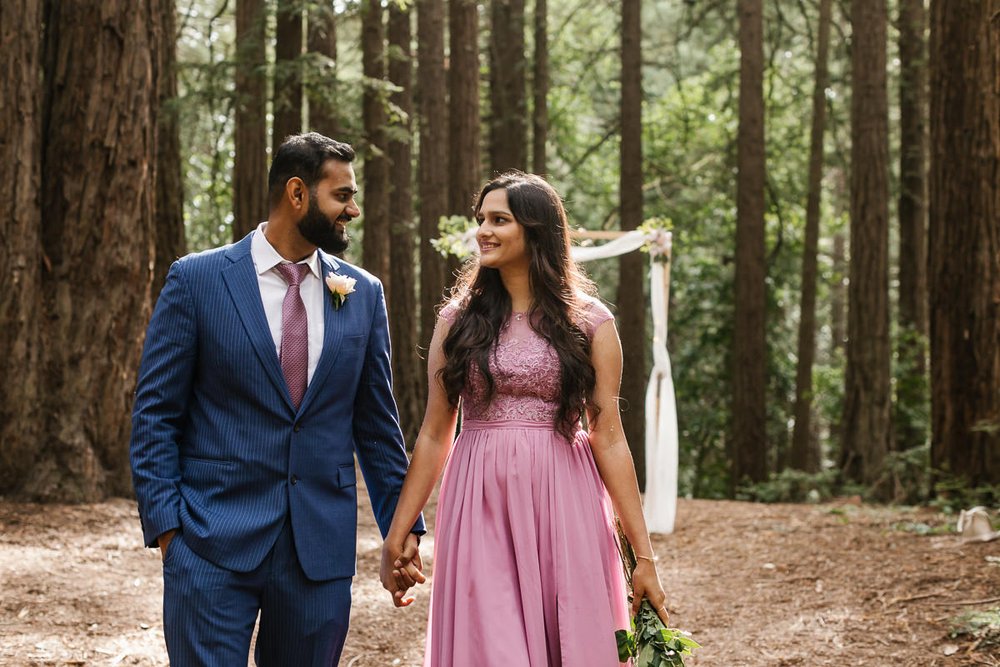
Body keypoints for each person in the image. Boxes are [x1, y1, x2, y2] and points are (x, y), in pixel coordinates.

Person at [129, 132, 423, 666]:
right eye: (342, 196)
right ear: (297, 193)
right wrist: (170, 533)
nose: (353, 210)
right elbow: (155, 415)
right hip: (210, 541)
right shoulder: (196, 281)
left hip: (319, 551)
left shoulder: (363, 294)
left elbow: (378, 428)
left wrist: (402, 530)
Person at [380, 171, 670, 665]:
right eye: (481, 220)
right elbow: (433, 432)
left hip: (566, 497)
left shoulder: (590, 320)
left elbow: (610, 438)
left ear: (535, 230)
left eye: (500, 220)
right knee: (491, 647)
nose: (483, 231)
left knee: (573, 638)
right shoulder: (457, 320)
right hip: (479, 499)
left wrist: (644, 557)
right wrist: (397, 533)